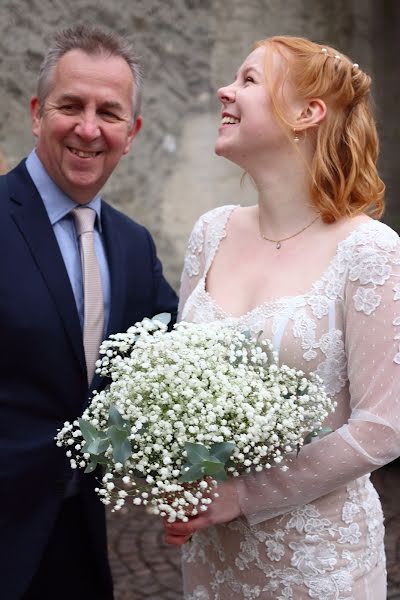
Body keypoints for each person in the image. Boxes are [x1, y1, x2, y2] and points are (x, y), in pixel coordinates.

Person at [164, 35, 400, 599]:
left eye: (248, 80)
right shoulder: (210, 233)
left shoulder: (369, 251)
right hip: (213, 561)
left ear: (307, 113)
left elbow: (383, 426)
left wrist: (244, 496)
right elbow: (178, 384)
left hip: (316, 565)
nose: (225, 90)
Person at [0, 25, 177, 600]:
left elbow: (176, 352)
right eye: (70, 105)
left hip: (78, 534)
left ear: (132, 133)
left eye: (110, 112)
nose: (88, 128)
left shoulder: (132, 244)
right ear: (36, 112)